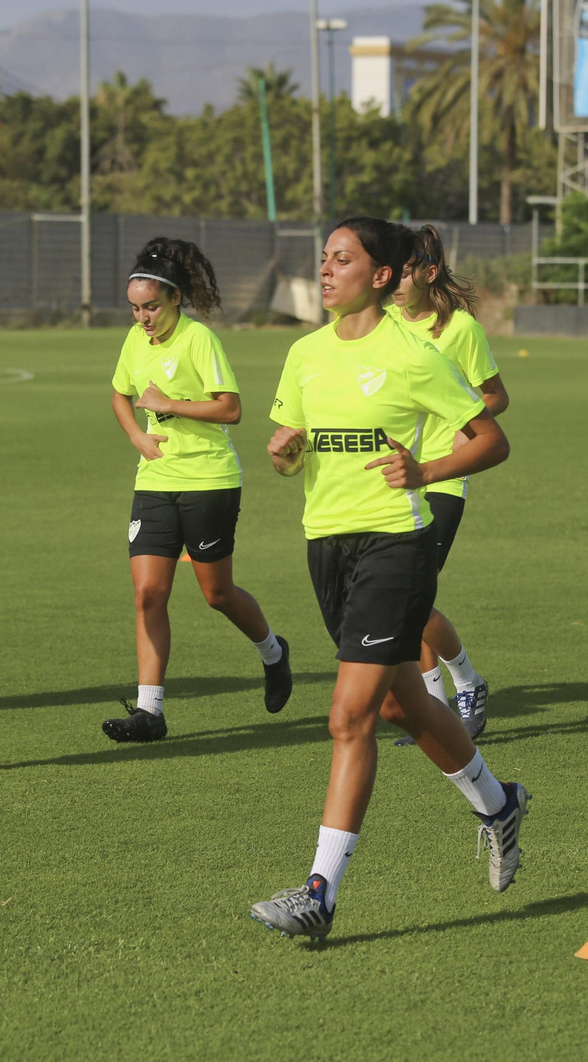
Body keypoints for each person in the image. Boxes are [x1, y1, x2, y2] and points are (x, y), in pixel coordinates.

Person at [250, 216, 527, 941]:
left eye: (343, 258)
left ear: (380, 275)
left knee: (350, 716)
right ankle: (499, 805)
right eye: (325, 257)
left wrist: (426, 469)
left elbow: (491, 438)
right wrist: (284, 453)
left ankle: (320, 891)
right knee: (403, 705)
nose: (328, 268)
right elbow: (293, 455)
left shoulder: (412, 353)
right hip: (326, 548)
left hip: (396, 546)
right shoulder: (304, 354)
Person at [103, 237, 292, 742]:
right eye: (135, 309)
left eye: (151, 308)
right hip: (155, 482)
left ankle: (273, 652)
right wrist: (137, 435)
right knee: (148, 594)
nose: (142, 318)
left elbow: (230, 409)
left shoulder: (199, 340)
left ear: (175, 299)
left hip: (209, 479)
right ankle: (150, 711)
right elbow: (121, 393)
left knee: (217, 593)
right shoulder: (134, 341)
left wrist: (170, 404)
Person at [388, 224, 509, 740]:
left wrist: (467, 433)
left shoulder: (460, 331)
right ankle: (435, 708)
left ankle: (465, 682)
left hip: (443, 474)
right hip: (391, 477)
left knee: (410, 594)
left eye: (405, 268)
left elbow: (497, 396)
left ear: (429, 272)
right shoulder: (384, 324)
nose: (394, 278)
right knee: (401, 597)